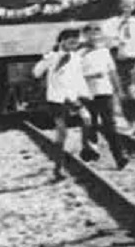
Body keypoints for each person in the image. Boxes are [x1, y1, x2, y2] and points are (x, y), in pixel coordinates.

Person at [32, 27, 94, 179]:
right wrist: (48, 62)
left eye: (76, 42)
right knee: (62, 133)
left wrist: (85, 94)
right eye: (70, 41)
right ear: (62, 41)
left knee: (87, 118)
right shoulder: (52, 57)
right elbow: (36, 73)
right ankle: (58, 168)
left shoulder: (76, 58)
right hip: (57, 100)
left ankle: (85, 147)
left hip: (72, 98)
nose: (73, 44)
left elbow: (78, 78)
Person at [79, 22, 129, 169]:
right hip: (87, 93)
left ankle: (119, 156)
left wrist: (119, 90)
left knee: (110, 125)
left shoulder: (105, 52)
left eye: (96, 32)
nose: (93, 35)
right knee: (91, 124)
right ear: (85, 35)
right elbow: (74, 75)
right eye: (90, 33)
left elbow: (112, 72)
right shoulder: (79, 54)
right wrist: (91, 76)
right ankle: (90, 152)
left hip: (104, 92)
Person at [104, 0, 135, 133]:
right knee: (122, 93)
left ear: (134, 7)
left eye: (130, 5)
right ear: (120, 5)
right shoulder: (111, 23)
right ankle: (130, 123)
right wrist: (117, 44)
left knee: (133, 93)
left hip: (131, 61)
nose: (126, 7)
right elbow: (107, 40)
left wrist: (130, 54)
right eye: (124, 4)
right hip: (116, 60)